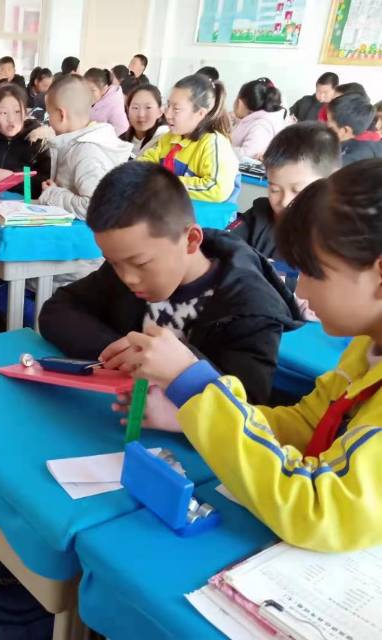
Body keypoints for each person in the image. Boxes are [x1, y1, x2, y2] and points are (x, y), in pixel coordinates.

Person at [115, 159, 382, 552]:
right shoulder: (367, 347)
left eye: (314, 272)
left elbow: (318, 509)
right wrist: (193, 414)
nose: (301, 292)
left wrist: (197, 387)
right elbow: (308, 424)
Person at [38, 161, 302, 405]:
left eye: (141, 263)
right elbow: (57, 309)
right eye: (114, 262)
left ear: (191, 240)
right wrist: (125, 354)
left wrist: (182, 371)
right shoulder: (128, 262)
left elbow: (249, 406)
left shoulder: (250, 308)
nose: (127, 277)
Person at [230, 122, 341, 261]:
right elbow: (226, 244)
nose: (284, 201)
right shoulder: (259, 216)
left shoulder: (339, 240)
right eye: (274, 190)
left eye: (298, 190)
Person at [38, 74, 132, 220]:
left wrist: (53, 194)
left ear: (62, 115)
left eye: (49, 114)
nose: (48, 120)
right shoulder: (77, 144)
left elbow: (94, 206)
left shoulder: (87, 152)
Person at [138, 74, 239, 203]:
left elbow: (216, 188)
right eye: (168, 105)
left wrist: (166, 184)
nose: (167, 114)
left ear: (200, 113)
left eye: (176, 109)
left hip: (200, 215)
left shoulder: (213, 144)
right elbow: (144, 164)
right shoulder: (169, 138)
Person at [231, 77, 287, 160]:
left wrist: (220, 147)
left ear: (240, 103)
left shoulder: (261, 126)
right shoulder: (261, 119)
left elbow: (246, 156)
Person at [327, 93, 382, 165]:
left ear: (345, 130)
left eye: (329, 124)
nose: (326, 125)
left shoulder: (355, 157)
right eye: (376, 118)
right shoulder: (348, 139)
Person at [120, 84, 169, 158]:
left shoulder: (165, 139)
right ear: (128, 110)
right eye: (135, 108)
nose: (141, 114)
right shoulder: (121, 140)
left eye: (148, 107)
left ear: (160, 111)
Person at [84, 68, 129, 136]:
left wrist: (99, 135)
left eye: (92, 90)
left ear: (104, 89)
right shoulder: (95, 98)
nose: (87, 94)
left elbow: (123, 128)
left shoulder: (114, 105)